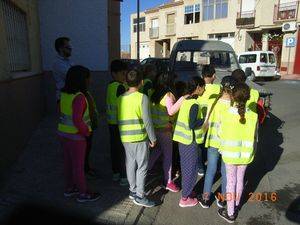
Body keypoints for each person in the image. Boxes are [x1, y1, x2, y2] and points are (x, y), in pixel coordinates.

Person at [57, 65, 100, 203]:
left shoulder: (63, 94)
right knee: (78, 166)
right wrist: (87, 132)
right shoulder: (80, 97)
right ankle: (83, 193)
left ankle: (69, 188)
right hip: (77, 137)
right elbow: (77, 120)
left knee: (68, 164)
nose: (90, 80)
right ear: (82, 80)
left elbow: (61, 112)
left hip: (63, 134)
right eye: (88, 78)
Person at [217, 83, 258, 223]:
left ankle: (230, 213)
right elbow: (255, 137)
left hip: (229, 154)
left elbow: (220, 133)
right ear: (248, 97)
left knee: (230, 182)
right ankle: (235, 204)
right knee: (240, 180)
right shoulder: (253, 116)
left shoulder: (226, 114)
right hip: (246, 155)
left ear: (233, 96)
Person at [117, 69, 157, 207]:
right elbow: (147, 121)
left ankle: (133, 191)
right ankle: (140, 196)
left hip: (125, 137)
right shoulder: (142, 97)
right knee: (142, 166)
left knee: (130, 163)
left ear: (126, 82)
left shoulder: (120, 97)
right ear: (141, 82)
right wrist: (153, 138)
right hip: (140, 137)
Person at [198, 76, 237, 209]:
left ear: (221, 87)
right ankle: (223, 200)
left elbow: (206, 123)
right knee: (225, 171)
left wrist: (201, 136)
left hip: (213, 141)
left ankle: (205, 199)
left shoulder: (213, 101)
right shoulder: (235, 105)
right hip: (227, 144)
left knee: (211, 170)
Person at [148, 73, 188, 193]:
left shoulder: (152, 92)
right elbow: (171, 111)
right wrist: (182, 99)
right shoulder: (168, 95)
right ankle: (168, 181)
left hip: (155, 129)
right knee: (168, 157)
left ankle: (145, 170)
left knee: (157, 151)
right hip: (165, 130)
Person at [173, 77, 206, 207]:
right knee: (190, 170)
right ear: (198, 87)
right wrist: (204, 121)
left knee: (186, 168)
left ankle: (188, 192)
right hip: (189, 142)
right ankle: (185, 199)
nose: (204, 89)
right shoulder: (194, 104)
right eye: (203, 87)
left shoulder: (185, 100)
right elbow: (192, 124)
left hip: (182, 140)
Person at [106, 59, 128, 185]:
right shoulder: (120, 87)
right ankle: (124, 177)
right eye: (122, 74)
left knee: (114, 149)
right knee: (122, 151)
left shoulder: (110, 85)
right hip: (120, 124)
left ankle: (115, 173)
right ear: (114, 73)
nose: (124, 76)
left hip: (111, 123)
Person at [197, 64, 221, 176]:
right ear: (214, 76)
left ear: (202, 75)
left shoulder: (198, 88)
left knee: (200, 143)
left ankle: (200, 167)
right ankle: (214, 166)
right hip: (213, 120)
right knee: (212, 144)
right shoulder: (218, 88)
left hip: (199, 119)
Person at [52, 37, 73, 104]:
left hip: (70, 96)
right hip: (64, 97)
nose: (70, 48)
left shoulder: (68, 61)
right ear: (60, 49)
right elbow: (72, 77)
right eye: (67, 47)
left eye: (70, 46)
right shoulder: (58, 63)